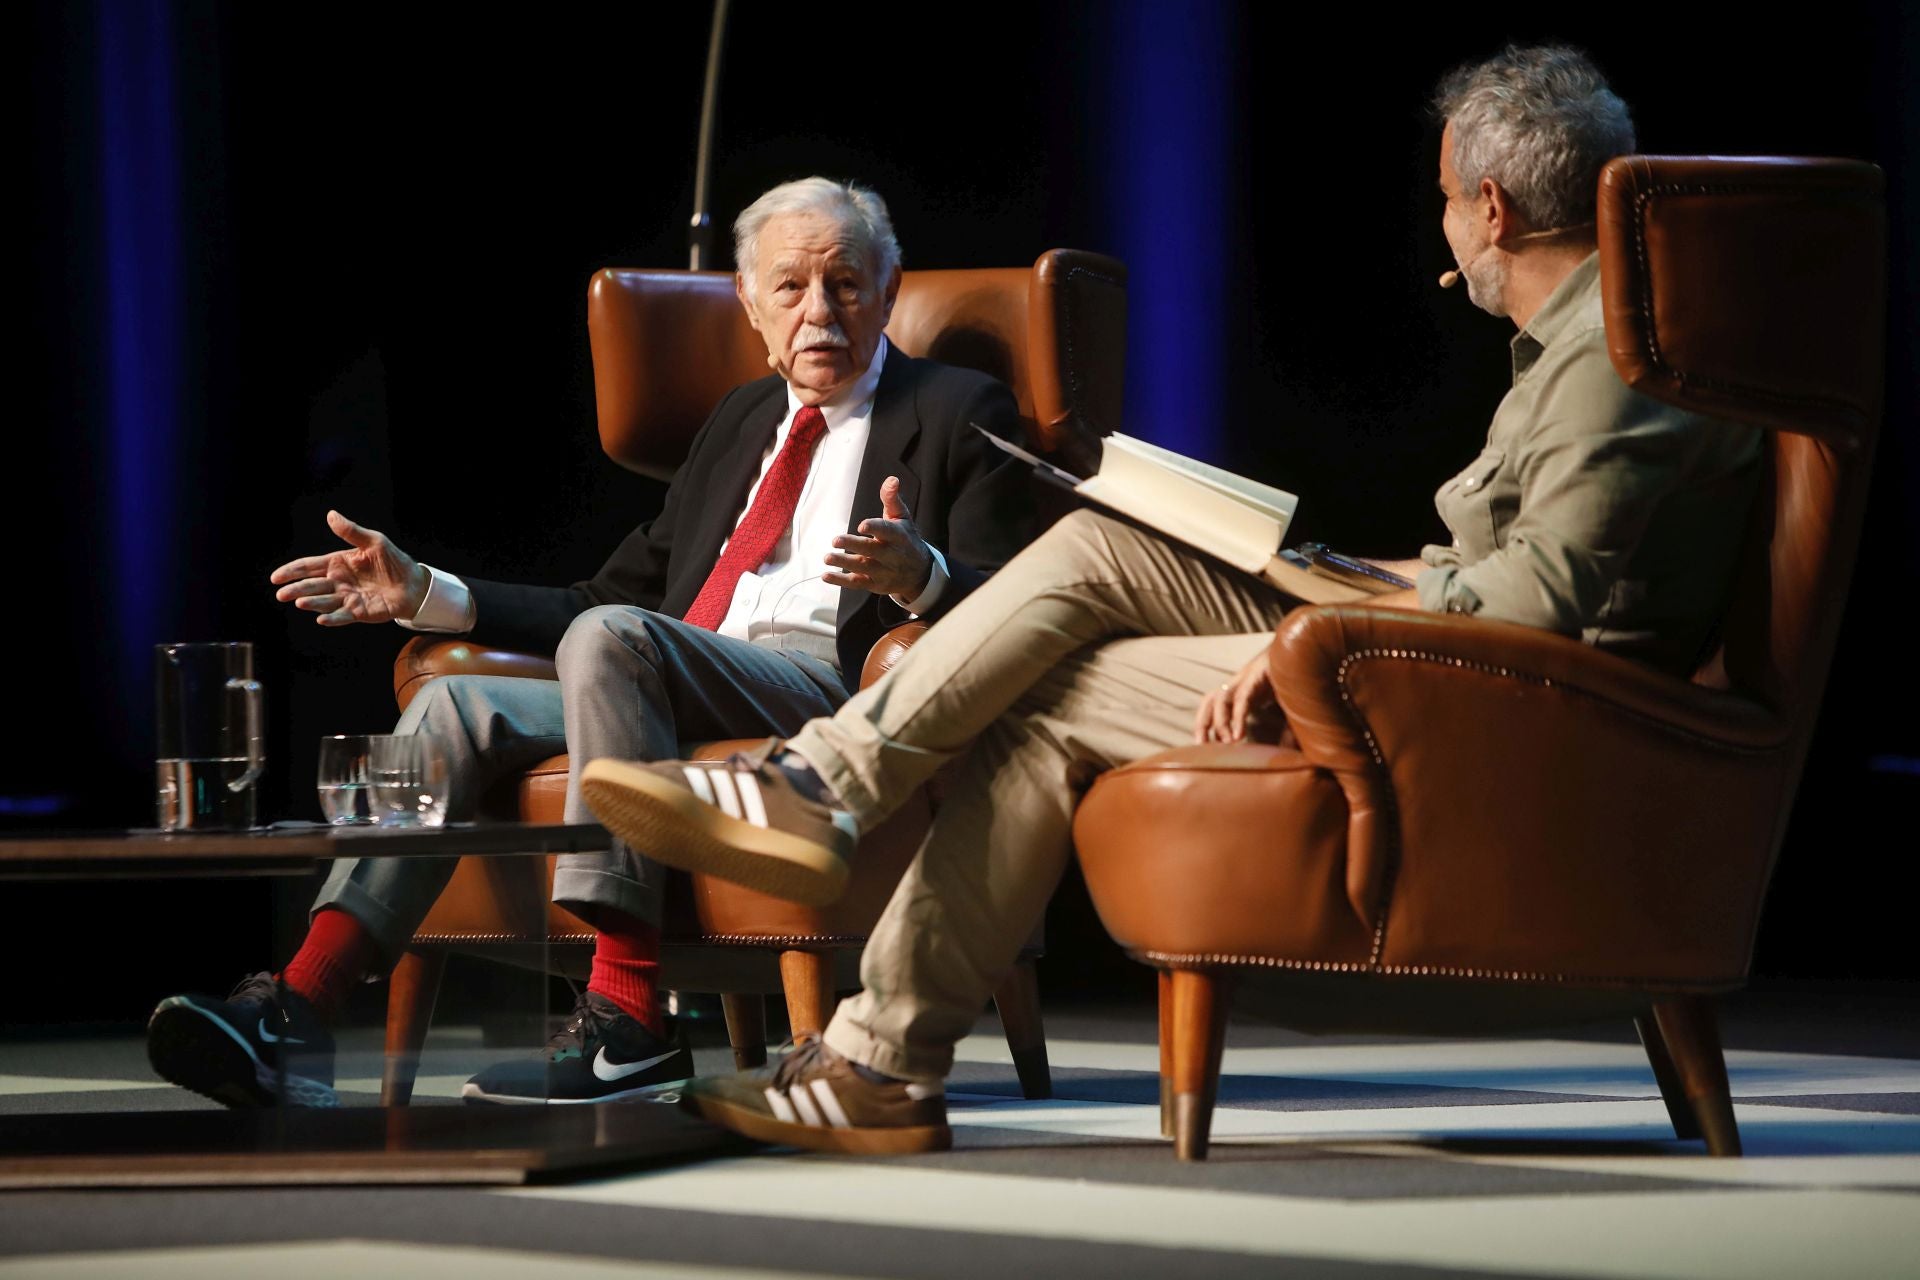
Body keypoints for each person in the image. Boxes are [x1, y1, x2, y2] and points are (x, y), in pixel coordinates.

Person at [576, 46, 1764, 1154]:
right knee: (1096, 567)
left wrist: (1335, 628)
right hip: (1438, 657)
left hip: (1491, 699)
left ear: (1493, 209)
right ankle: (866, 1012)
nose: (1444, 227)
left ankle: (835, 852)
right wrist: (1346, 579)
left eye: (1449, 198)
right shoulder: (1586, 347)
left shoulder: (1618, 354)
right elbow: (1517, 567)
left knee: (1060, 643)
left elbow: (1543, 606)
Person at [144, 177, 1038, 1109]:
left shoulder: (958, 408)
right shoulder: (739, 423)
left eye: (847, 285)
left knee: (615, 643)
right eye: (790, 287)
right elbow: (605, 598)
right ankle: (301, 1007)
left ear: (889, 293)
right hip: (664, 682)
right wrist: (427, 593)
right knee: (456, 696)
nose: (820, 311)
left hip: (832, 696)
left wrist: (920, 575)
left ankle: (631, 1012)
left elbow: (1017, 596)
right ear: (749, 304)